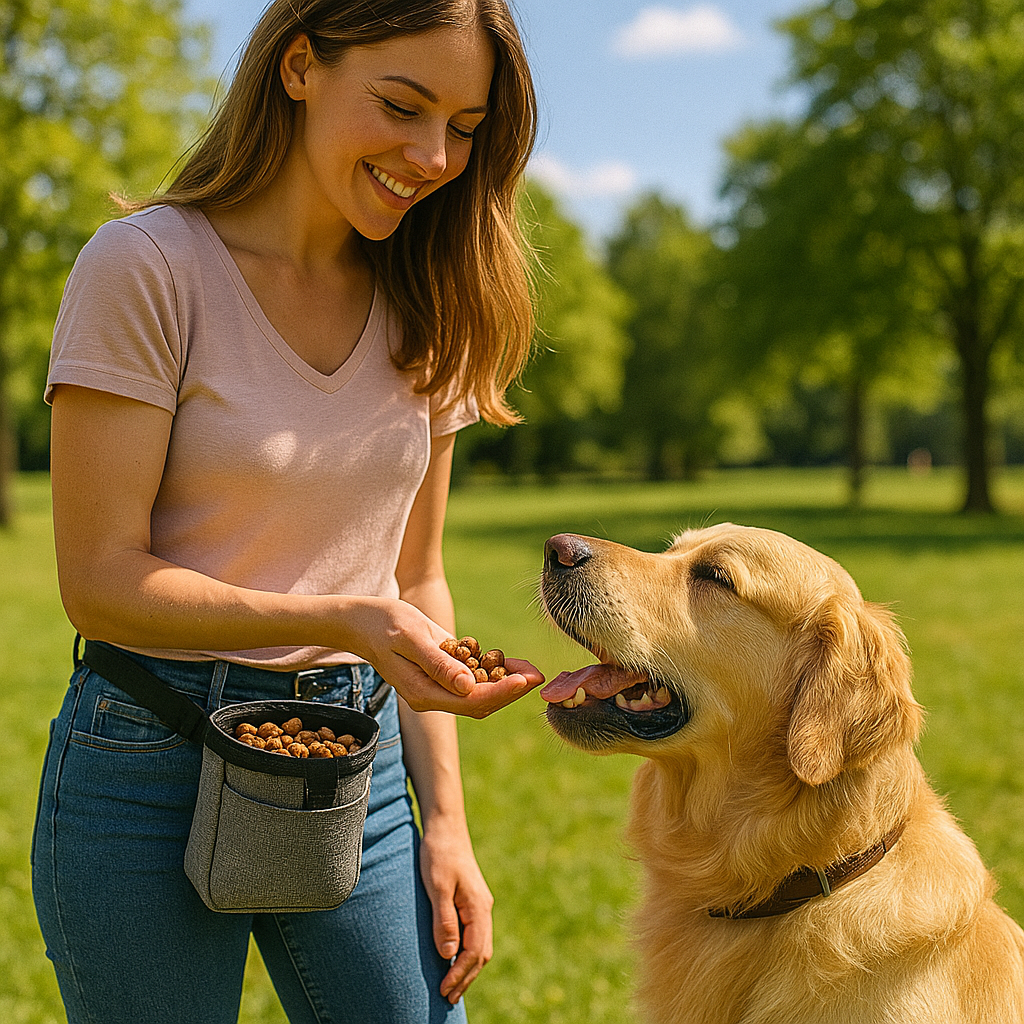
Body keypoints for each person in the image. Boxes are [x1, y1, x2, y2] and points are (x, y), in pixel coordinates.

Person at [31, 1, 543, 1021]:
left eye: (465, 126)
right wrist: (336, 618)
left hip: (352, 759)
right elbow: (99, 582)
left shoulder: (431, 297)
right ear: (301, 65)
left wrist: (447, 821)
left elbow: (413, 575)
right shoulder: (148, 267)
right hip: (147, 756)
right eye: (401, 105)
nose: (434, 154)